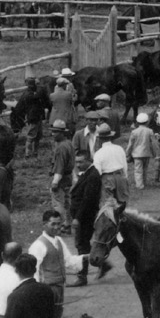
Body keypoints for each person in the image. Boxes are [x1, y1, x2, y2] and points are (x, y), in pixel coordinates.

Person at [27, 211, 72, 318]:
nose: (57, 227)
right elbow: (33, 271)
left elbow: (70, 261)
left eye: (59, 224)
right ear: (44, 224)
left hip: (59, 290)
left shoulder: (59, 241)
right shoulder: (38, 245)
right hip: (46, 292)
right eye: (53, 224)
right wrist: (37, 293)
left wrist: (89, 258)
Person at [68, 149, 110, 286]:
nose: (78, 165)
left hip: (85, 217)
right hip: (83, 216)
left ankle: (82, 276)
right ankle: (103, 264)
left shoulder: (92, 175)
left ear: (89, 161)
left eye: (81, 162)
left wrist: (77, 218)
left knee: (82, 245)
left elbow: (87, 200)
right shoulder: (87, 173)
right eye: (76, 162)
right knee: (83, 244)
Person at [91, 123, 129, 214]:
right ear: (111, 136)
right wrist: (124, 179)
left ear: (99, 139)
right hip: (120, 176)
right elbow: (125, 166)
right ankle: (121, 221)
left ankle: (111, 223)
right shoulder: (119, 149)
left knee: (108, 204)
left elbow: (97, 172)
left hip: (107, 178)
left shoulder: (99, 153)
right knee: (122, 204)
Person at [47, 120, 75, 232]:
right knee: (67, 202)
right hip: (68, 177)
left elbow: (60, 166)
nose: (53, 134)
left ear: (62, 133)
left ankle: (58, 226)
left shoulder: (61, 148)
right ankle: (67, 224)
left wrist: (55, 181)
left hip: (61, 178)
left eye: (56, 132)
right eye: (53, 131)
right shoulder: (69, 143)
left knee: (58, 203)